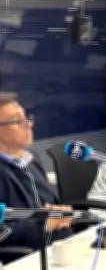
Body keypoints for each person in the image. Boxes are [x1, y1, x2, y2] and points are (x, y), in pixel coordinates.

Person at [0, 97, 72, 249]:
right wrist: (43, 224)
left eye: (27, 118)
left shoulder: (31, 159)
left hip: (62, 243)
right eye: (17, 121)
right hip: (27, 255)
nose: (29, 125)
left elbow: (50, 204)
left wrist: (60, 212)